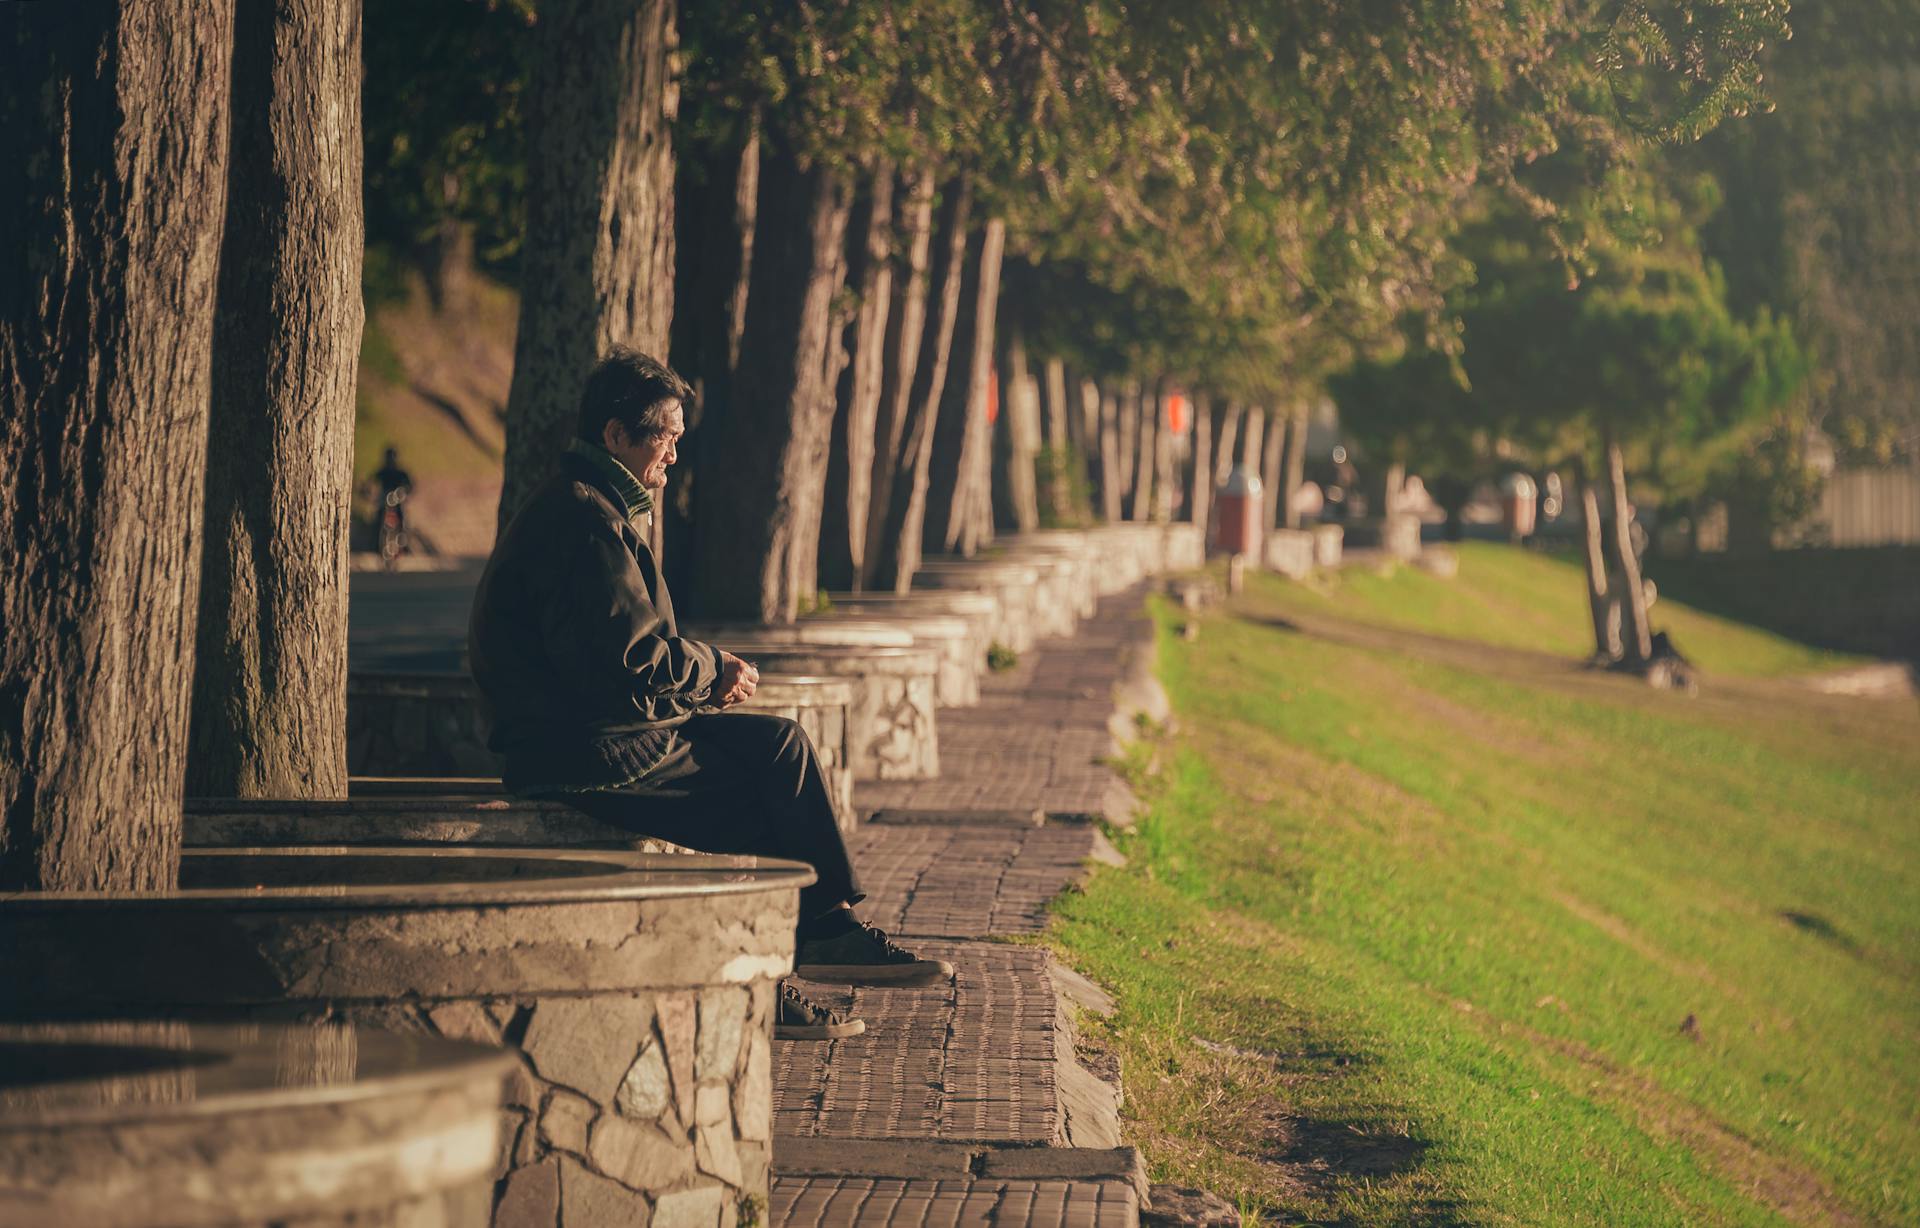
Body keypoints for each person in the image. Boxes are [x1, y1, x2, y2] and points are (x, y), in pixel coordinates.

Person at [468, 348, 948, 1041]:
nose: (673, 454)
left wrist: (701, 679)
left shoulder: (596, 507)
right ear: (615, 435)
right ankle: (779, 976)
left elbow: (620, 654)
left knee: (778, 745)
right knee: (758, 807)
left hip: (605, 730)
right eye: (664, 435)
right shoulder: (583, 523)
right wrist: (709, 670)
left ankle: (827, 926)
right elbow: (629, 656)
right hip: (583, 750)